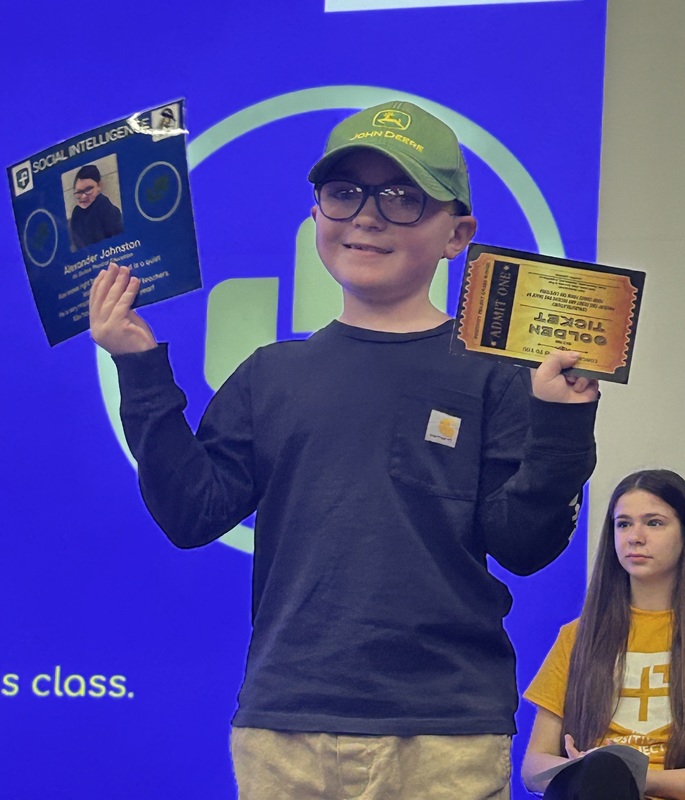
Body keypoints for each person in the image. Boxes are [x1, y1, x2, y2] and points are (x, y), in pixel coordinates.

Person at [89, 101, 599, 800]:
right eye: (344, 192)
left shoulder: (497, 375)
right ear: (315, 214)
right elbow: (190, 514)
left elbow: (525, 544)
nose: (365, 215)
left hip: (445, 735)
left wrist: (560, 425)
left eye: (401, 196)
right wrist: (139, 367)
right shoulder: (271, 374)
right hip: (286, 732)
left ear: (459, 233)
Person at [522, 469, 685, 800]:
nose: (634, 537)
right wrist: (582, 769)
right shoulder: (578, 636)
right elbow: (532, 768)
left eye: (654, 523)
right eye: (623, 524)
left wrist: (636, 776)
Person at [69, 163, 123, 250]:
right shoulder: (76, 214)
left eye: (88, 189)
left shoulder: (103, 205)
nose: (83, 196)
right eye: (79, 192)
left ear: (99, 186)